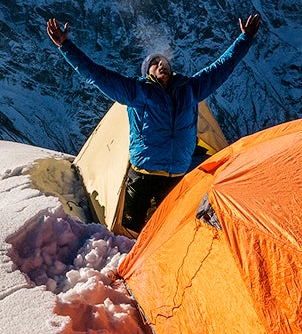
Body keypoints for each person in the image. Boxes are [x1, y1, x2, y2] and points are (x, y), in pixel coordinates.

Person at [47, 14, 261, 232]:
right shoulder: (137, 91)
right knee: (132, 231)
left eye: (164, 62)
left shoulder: (190, 89)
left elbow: (222, 67)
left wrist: (245, 38)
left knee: (170, 231)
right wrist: (65, 46)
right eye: (155, 63)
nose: (162, 65)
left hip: (178, 175)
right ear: (147, 72)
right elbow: (97, 75)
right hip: (143, 176)